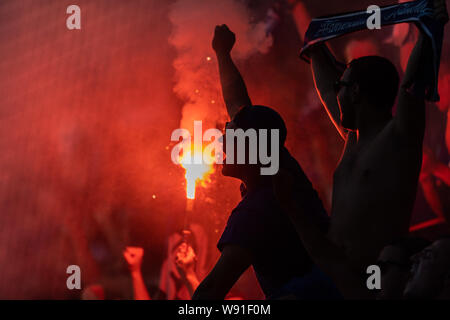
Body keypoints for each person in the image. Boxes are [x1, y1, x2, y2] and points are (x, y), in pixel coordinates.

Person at [278, 0, 449, 298]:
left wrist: (428, 28)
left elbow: (413, 86)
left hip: (371, 285)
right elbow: (324, 77)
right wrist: (312, 34)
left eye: (342, 85)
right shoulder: (352, 138)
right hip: (333, 275)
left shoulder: (398, 137)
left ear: (356, 93)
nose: (335, 92)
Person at [192, 25, 330, 300]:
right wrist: (222, 54)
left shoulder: (256, 210)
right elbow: (238, 104)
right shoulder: (280, 166)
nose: (220, 142)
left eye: (229, 137)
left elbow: (210, 292)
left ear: (250, 148)